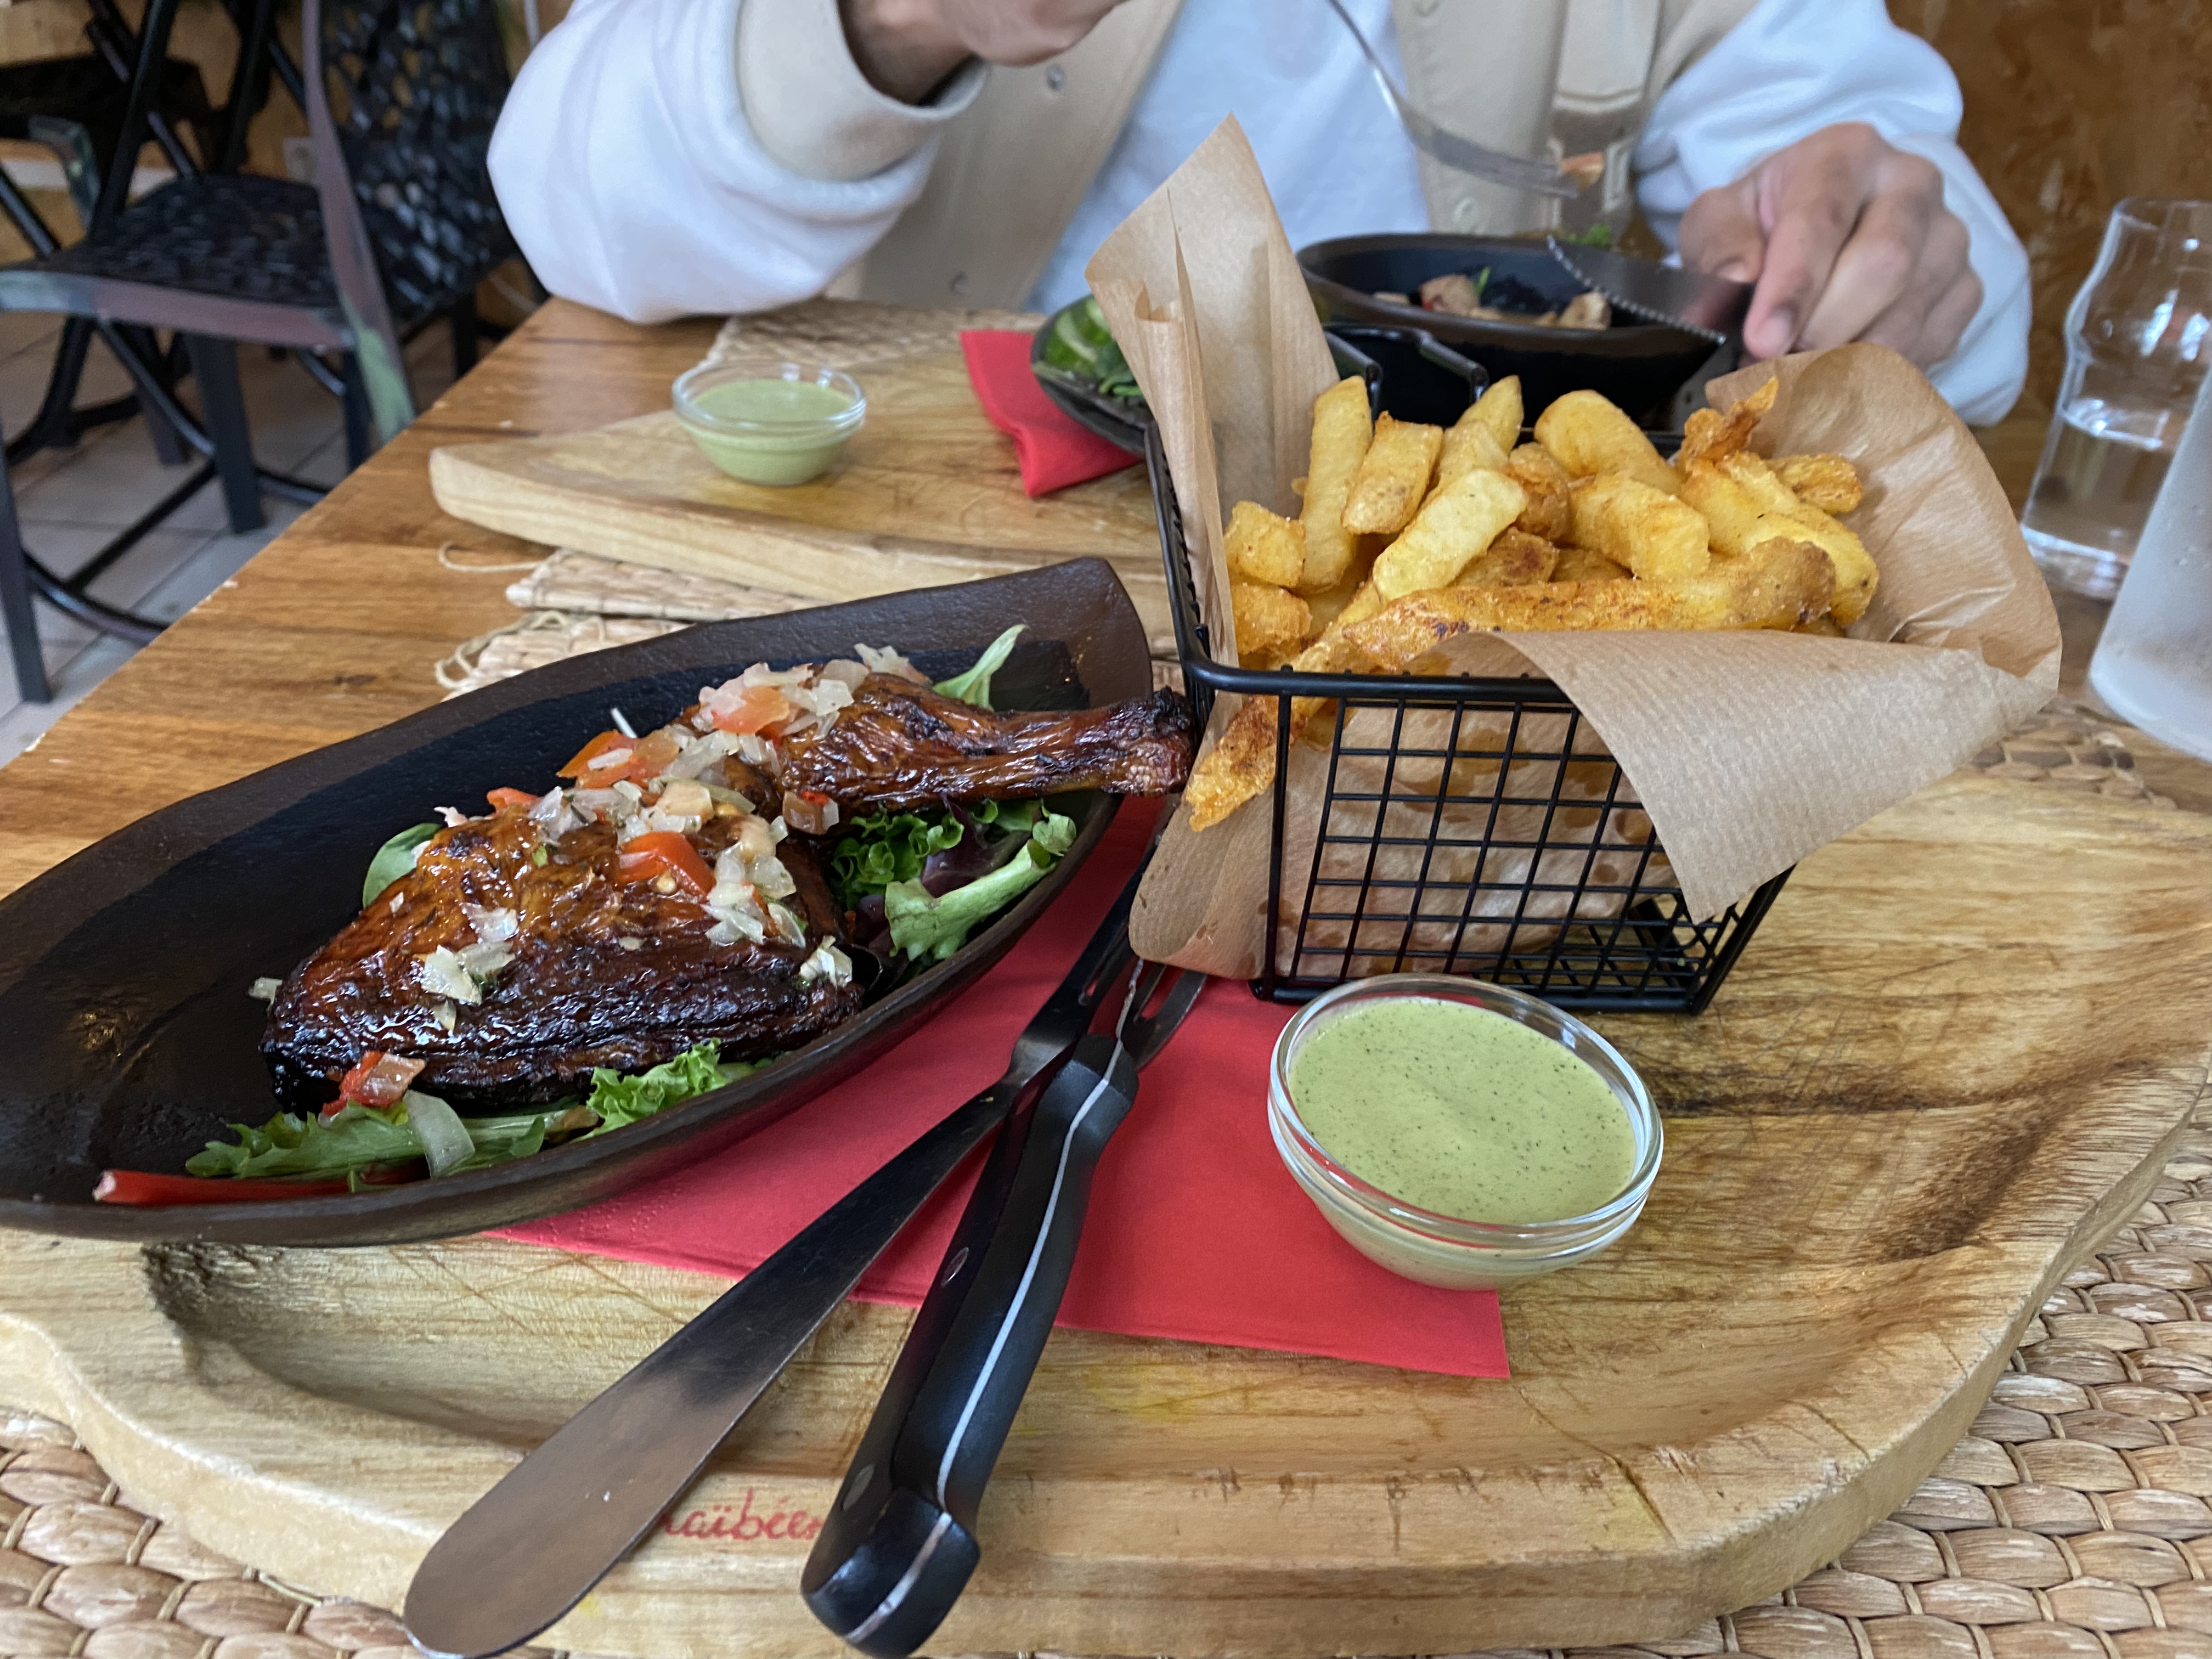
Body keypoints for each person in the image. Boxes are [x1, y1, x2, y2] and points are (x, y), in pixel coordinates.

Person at [489, 0, 2031, 424]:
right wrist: (883, 25)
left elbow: (1919, 241)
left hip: (1465, 649)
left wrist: (1883, 250)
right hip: (929, 550)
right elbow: (575, 206)